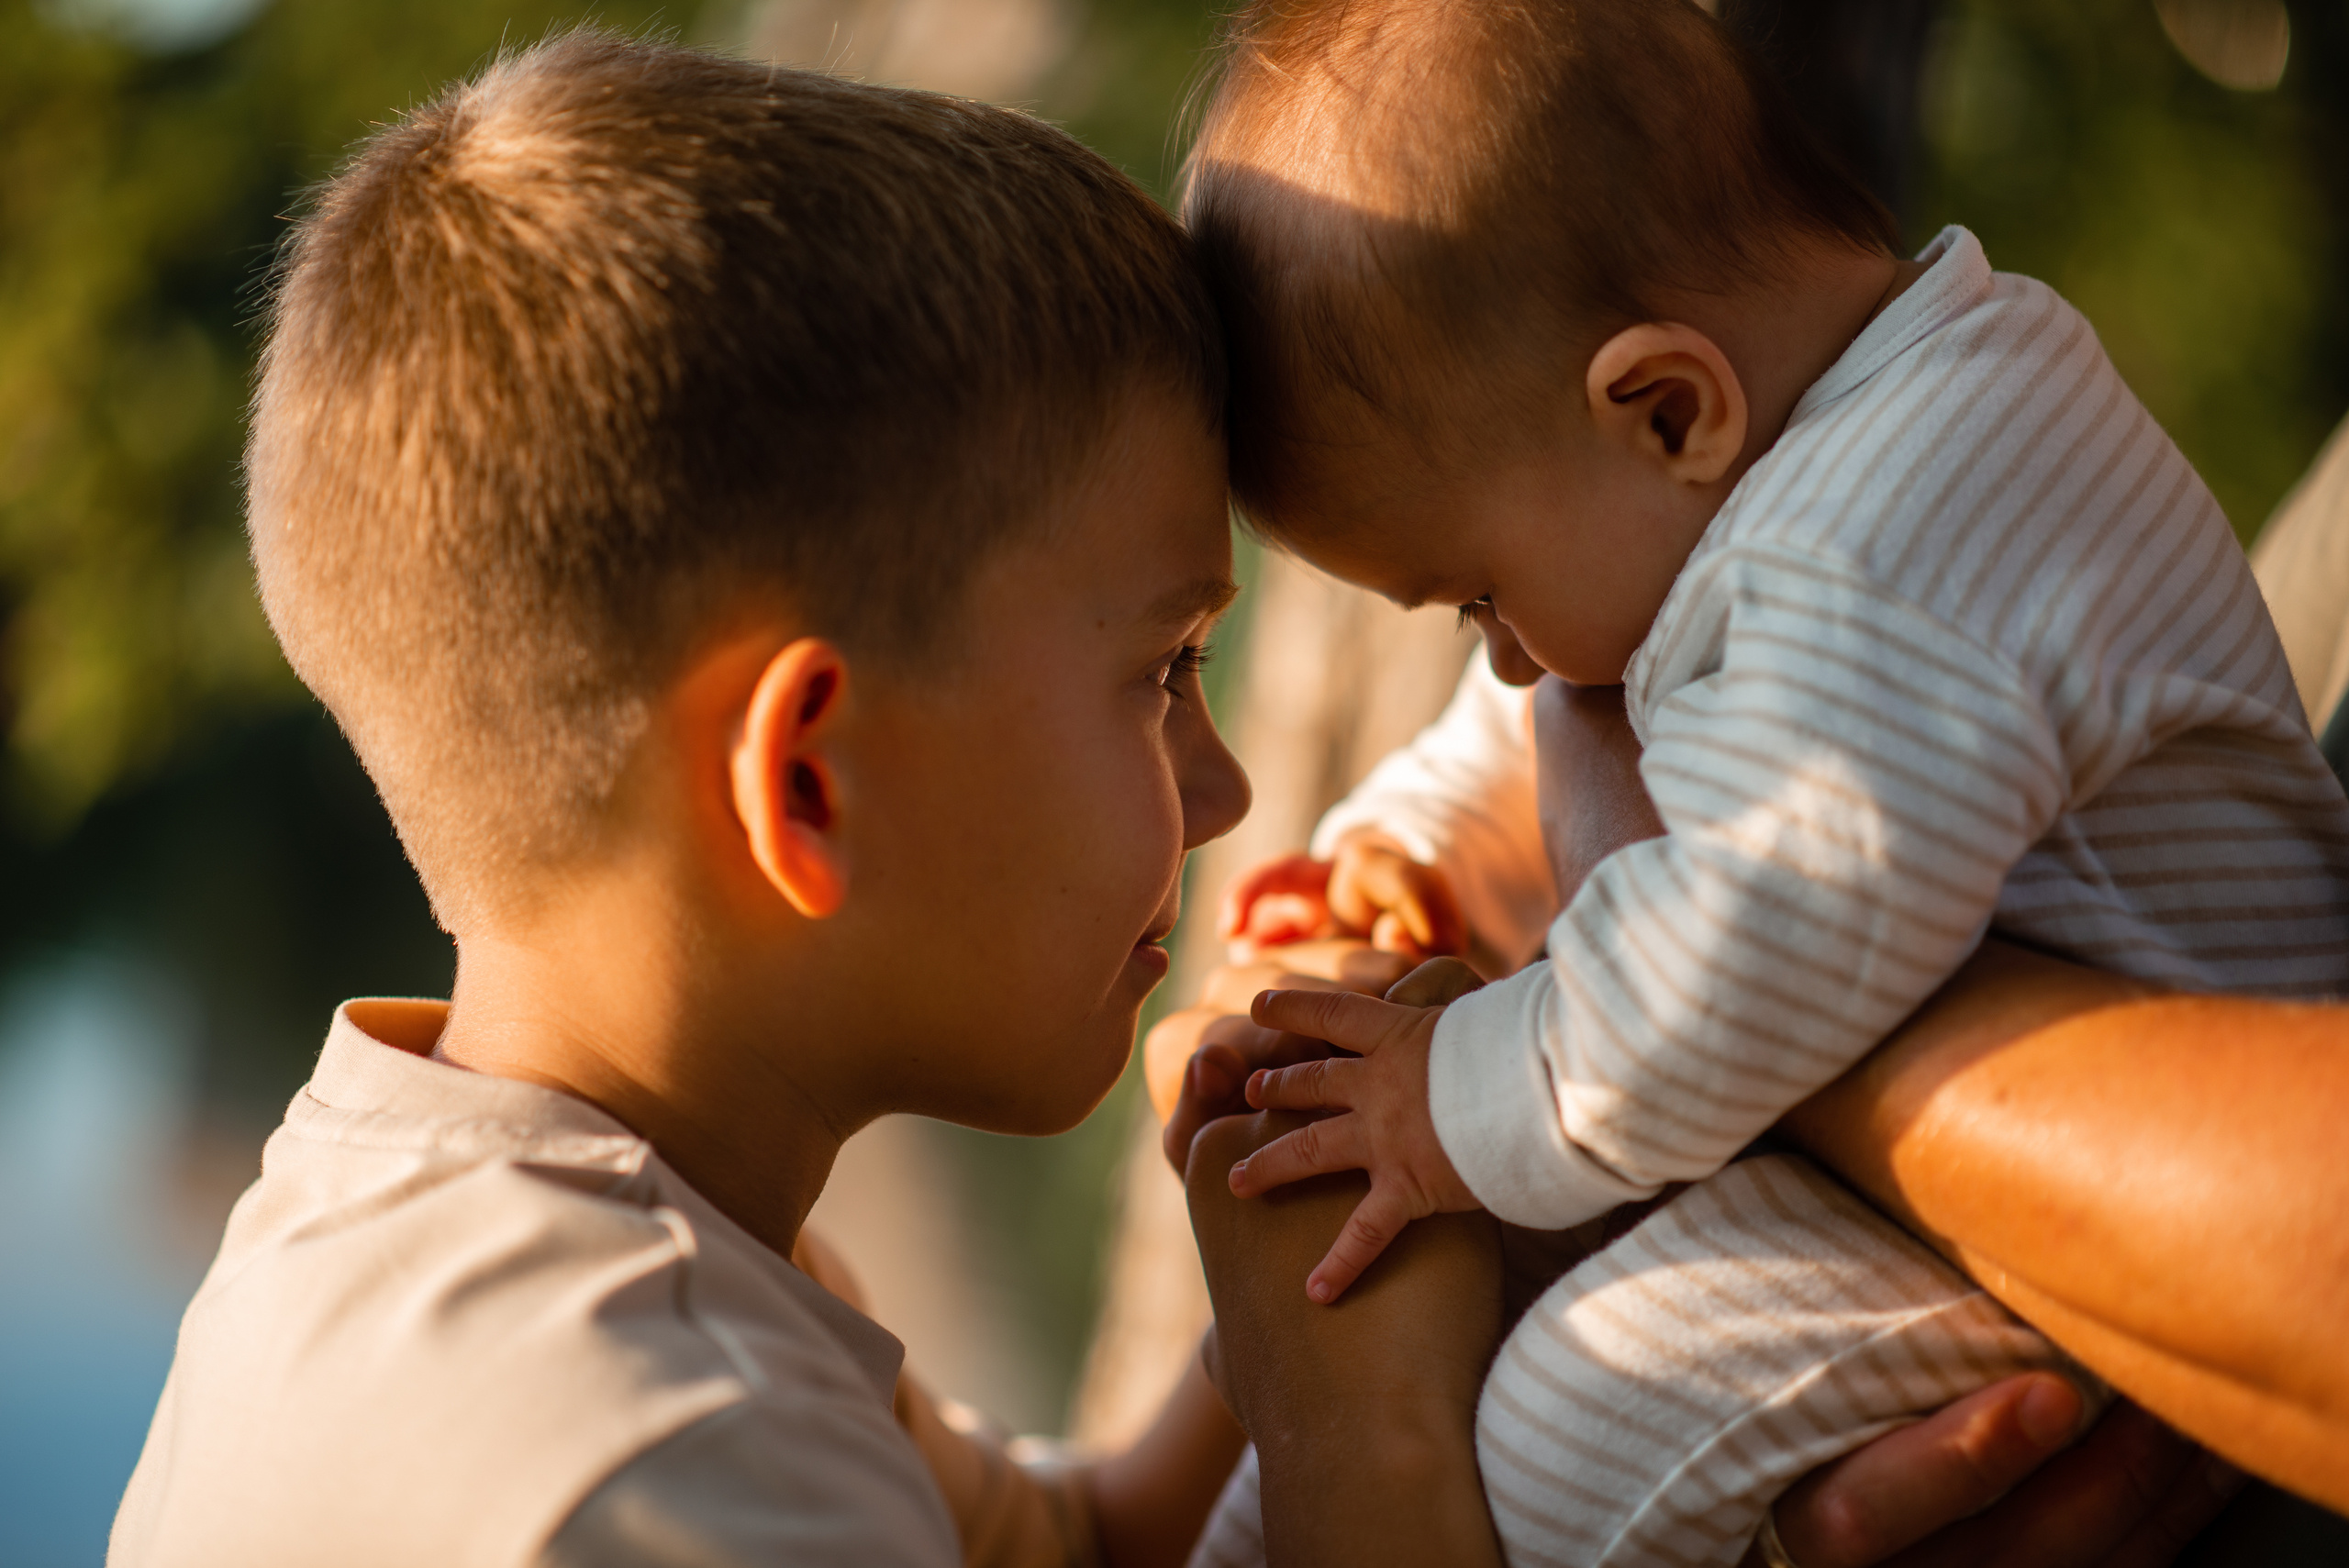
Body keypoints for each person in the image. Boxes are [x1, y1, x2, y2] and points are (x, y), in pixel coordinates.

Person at [103, 33, 2046, 1568]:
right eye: (1162, 669)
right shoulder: (641, 1479)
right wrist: (1350, 1425)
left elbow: (1080, 1550)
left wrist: (1315, 1197)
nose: (1216, 794)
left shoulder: (568, 1232)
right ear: (805, 778)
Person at [1178, 0, 2349, 1562]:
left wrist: (1447, 1093)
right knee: (1381, 1328)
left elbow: (1754, 936)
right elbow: (1569, 698)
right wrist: (1415, 843)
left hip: (2129, 1214)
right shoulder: (1799, 461)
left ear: (1666, 405)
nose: (1506, 658)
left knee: (1560, 1423)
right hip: (1951, 1162)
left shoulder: (1875, 552)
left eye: (1473, 594)